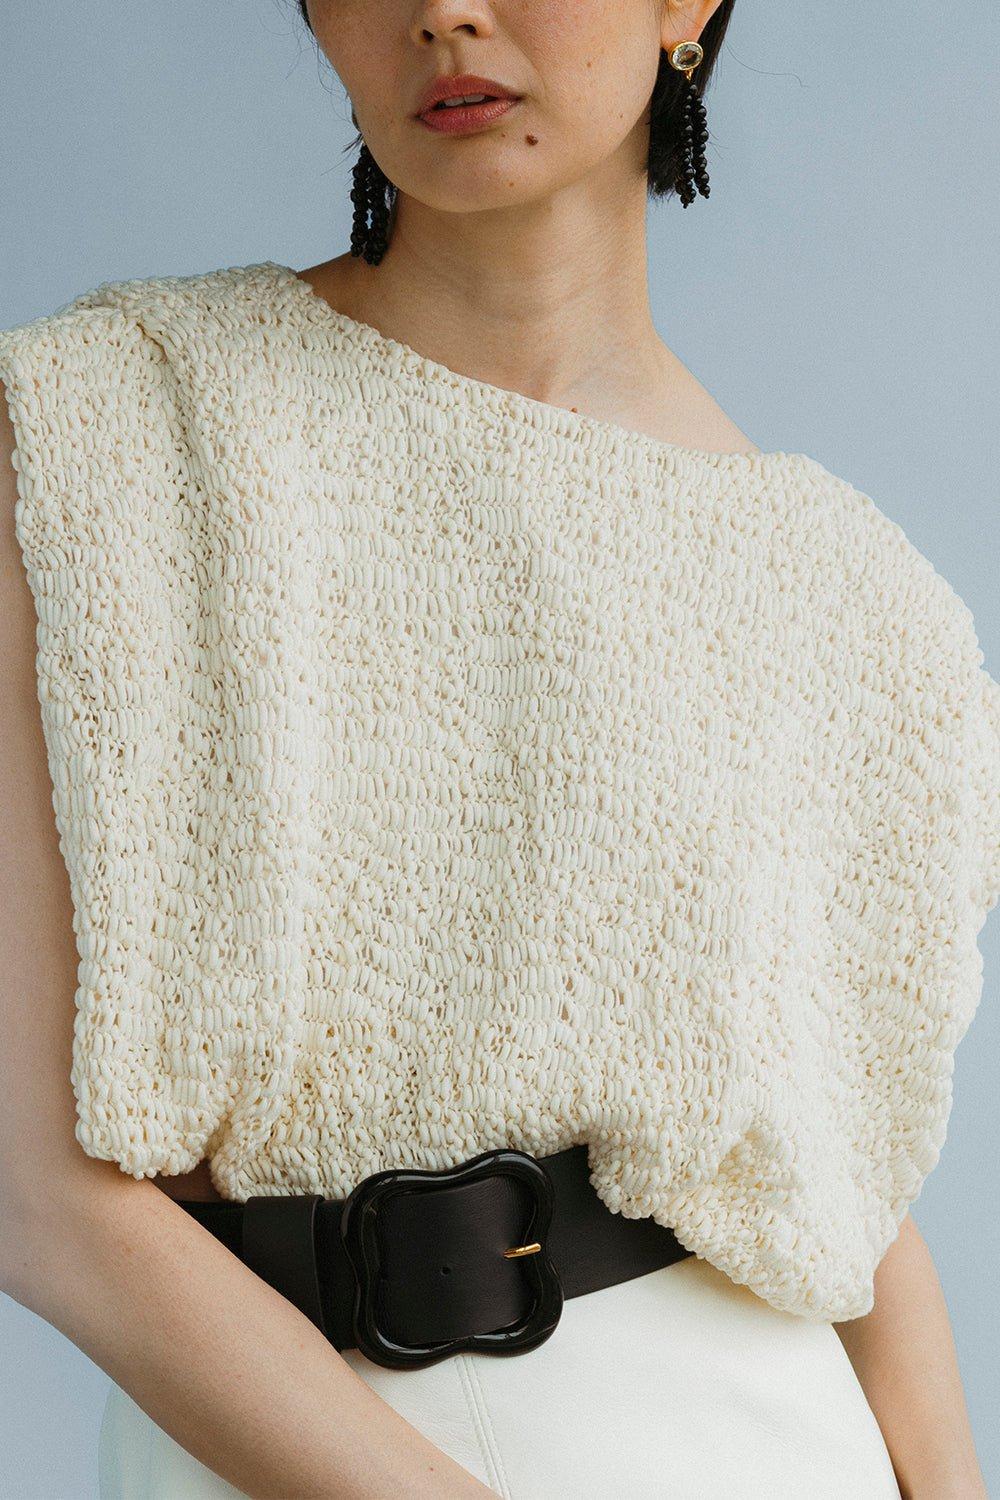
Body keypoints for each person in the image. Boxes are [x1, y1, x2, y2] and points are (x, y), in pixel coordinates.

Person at [0, 3, 995, 1497]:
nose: (443, 11)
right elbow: (39, 1196)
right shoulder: (105, 428)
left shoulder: (853, 595)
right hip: (277, 1440)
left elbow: (844, 1186)